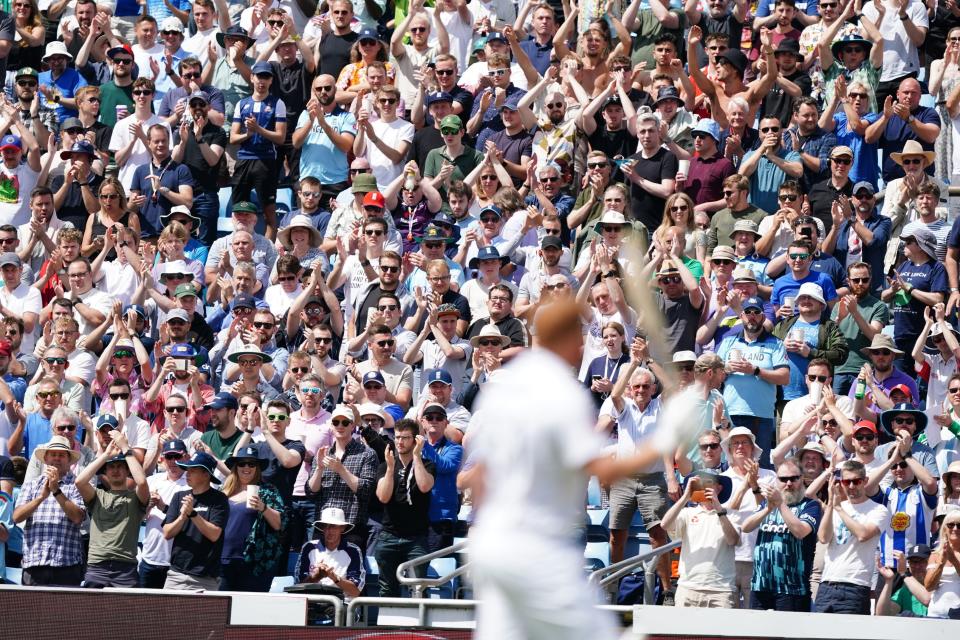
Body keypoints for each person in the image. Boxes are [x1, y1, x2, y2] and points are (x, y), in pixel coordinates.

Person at [464, 299, 701, 639]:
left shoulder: (501, 390)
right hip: (535, 549)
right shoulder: (561, 393)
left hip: (492, 547)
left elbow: (481, 477)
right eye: (576, 336)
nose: (581, 345)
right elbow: (603, 471)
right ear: (557, 338)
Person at [741, 457, 822, 611]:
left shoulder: (811, 505)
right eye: (783, 479)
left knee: (788, 635)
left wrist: (780, 504)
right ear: (776, 481)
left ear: (802, 479)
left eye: (794, 478)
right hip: (761, 585)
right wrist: (768, 509)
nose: (789, 483)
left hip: (793, 588)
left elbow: (800, 531)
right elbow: (745, 527)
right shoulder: (768, 503)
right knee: (756, 634)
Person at [74, 431, 149, 588]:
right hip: (97, 567)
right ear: (105, 472)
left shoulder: (136, 498)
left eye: (120, 467)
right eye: (111, 467)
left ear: (128, 471)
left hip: (126, 569)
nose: (115, 470)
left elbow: (141, 482)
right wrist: (106, 455)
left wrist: (125, 448)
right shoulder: (97, 495)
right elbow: (80, 481)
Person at [815, 459, 886, 615]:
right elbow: (823, 538)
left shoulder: (878, 510)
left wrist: (839, 508)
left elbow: (863, 534)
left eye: (856, 481)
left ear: (865, 481)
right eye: (847, 482)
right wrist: (831, 505)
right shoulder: (837, 506)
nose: (851, 486)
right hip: (827, 584)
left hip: (855, 586)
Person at [12, 435, 86, 585]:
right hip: (34, 564)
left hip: (67, 564)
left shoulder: (77, 485)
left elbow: (78, 517)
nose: (57, 458)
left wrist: (56, 491)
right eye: (53, 454)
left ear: (69, 461)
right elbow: (17, 517)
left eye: (61, 455)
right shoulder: (31, 485)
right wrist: (40, 498)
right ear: (45, 459)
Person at [661, 469, 739, 608]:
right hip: (688, 588)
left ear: (719, 488)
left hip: (721, 590)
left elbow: (733, 540)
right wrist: (685, 497)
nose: (703, 486)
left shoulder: (730, 513)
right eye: (699, 482)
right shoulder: (687, 513)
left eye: (708, 482)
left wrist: (718, 508)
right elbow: (665, 524)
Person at [218, 445, 286, 592]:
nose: (246, 467)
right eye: (242, 463)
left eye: (252, 464)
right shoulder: (222, 492)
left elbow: (279, 524)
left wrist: (263, 507)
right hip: (223, 559)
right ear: (236, 467)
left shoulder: (268, 491)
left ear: (257, 468)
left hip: (255, 562)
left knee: (250, 610)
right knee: (222, 609)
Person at [161, 451, 230, 590]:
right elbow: (167, 533)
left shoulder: (219, 499)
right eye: (187, 469)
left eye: (193, 470)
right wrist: (182, 517)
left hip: (205, 577)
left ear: (206, 475)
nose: (187, 473)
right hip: (176, 575)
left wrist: (193, 514)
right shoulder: (178, 496)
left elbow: (214, 534)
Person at [139, 439, 189, 588]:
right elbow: (139, 518)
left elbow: (189, 521)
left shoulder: (191, 482)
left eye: (177, 457)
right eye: (169, 457)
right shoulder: (152, 481)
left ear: (186, 457)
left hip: (177, 563)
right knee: (144, 608)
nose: (173, 461)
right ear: (163, 459)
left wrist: (162, 506)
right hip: (150, 557)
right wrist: (148, 506)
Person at [295, 506, 364, 598]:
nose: (329, 530)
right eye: (325, 526)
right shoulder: (309, 547)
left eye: (333, 526)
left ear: (342, 528)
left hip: (342, 604)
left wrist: (333, 577)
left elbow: (355, 592)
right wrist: (316, 577)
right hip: (312, 603)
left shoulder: (353, 551)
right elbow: (298, 587)